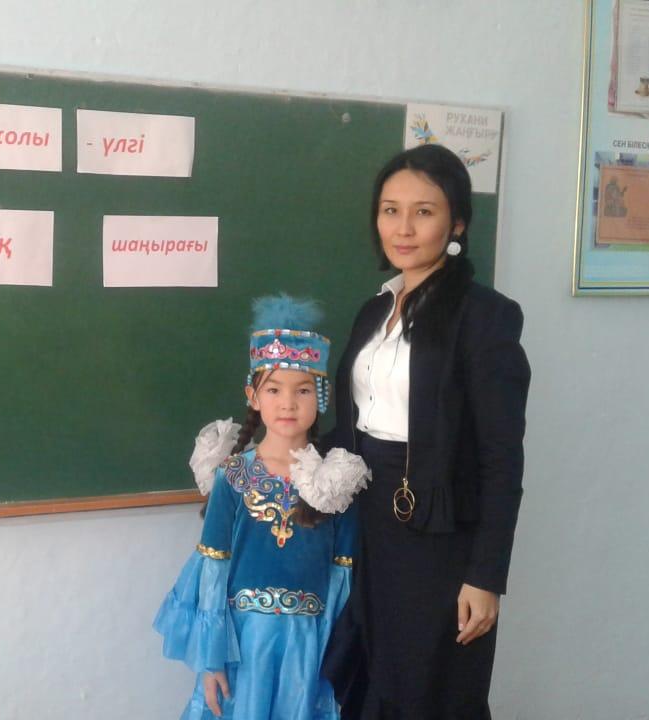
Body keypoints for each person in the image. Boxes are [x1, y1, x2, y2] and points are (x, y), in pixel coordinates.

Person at [319, 143, 532, 720]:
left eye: (424, 211)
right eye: (390, 210)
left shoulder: (484, 316)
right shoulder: (374, 311)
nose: (403, 228)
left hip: (439, 533)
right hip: (369, 525)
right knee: (370, 681)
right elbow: (353, 428)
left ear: (457, 222)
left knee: (433, 692)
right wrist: (272, 454)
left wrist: (485, 577)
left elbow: (501, 459)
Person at [154, 295, 372, 720]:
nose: (288, 403)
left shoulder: (337, 481)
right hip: (243, 645)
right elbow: (213, 569)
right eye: (274, 389)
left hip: (307, 648)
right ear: (253, 396)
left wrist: (333, 659)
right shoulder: (233, 476)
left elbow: (342, 577)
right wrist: (211, 660)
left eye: (303, 389)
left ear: (322, 396)